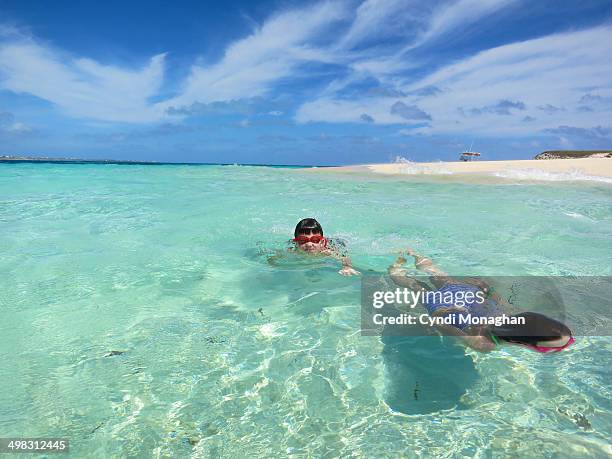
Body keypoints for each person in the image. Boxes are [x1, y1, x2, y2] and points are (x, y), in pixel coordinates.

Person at [387, 248, 574, 353]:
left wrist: (487, 289)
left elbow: (498, 301)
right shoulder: (484, 344)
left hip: (468, 297)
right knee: (417, 287)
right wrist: (444, 313)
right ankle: (396, 265)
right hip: (451, 309)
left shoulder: (514, 317)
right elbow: (438, 323)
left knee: (437, 276)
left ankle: (407, 254)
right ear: (526, 343)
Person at [269, 218, 360, 276]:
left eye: (315, 240)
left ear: (322, 242)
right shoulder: (292, 251)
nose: (309, 244)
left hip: (337, 243)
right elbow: (273, 259)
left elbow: (344, 258)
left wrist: (347, 267)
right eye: (303, 240)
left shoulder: (327, 252)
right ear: (296, 243)